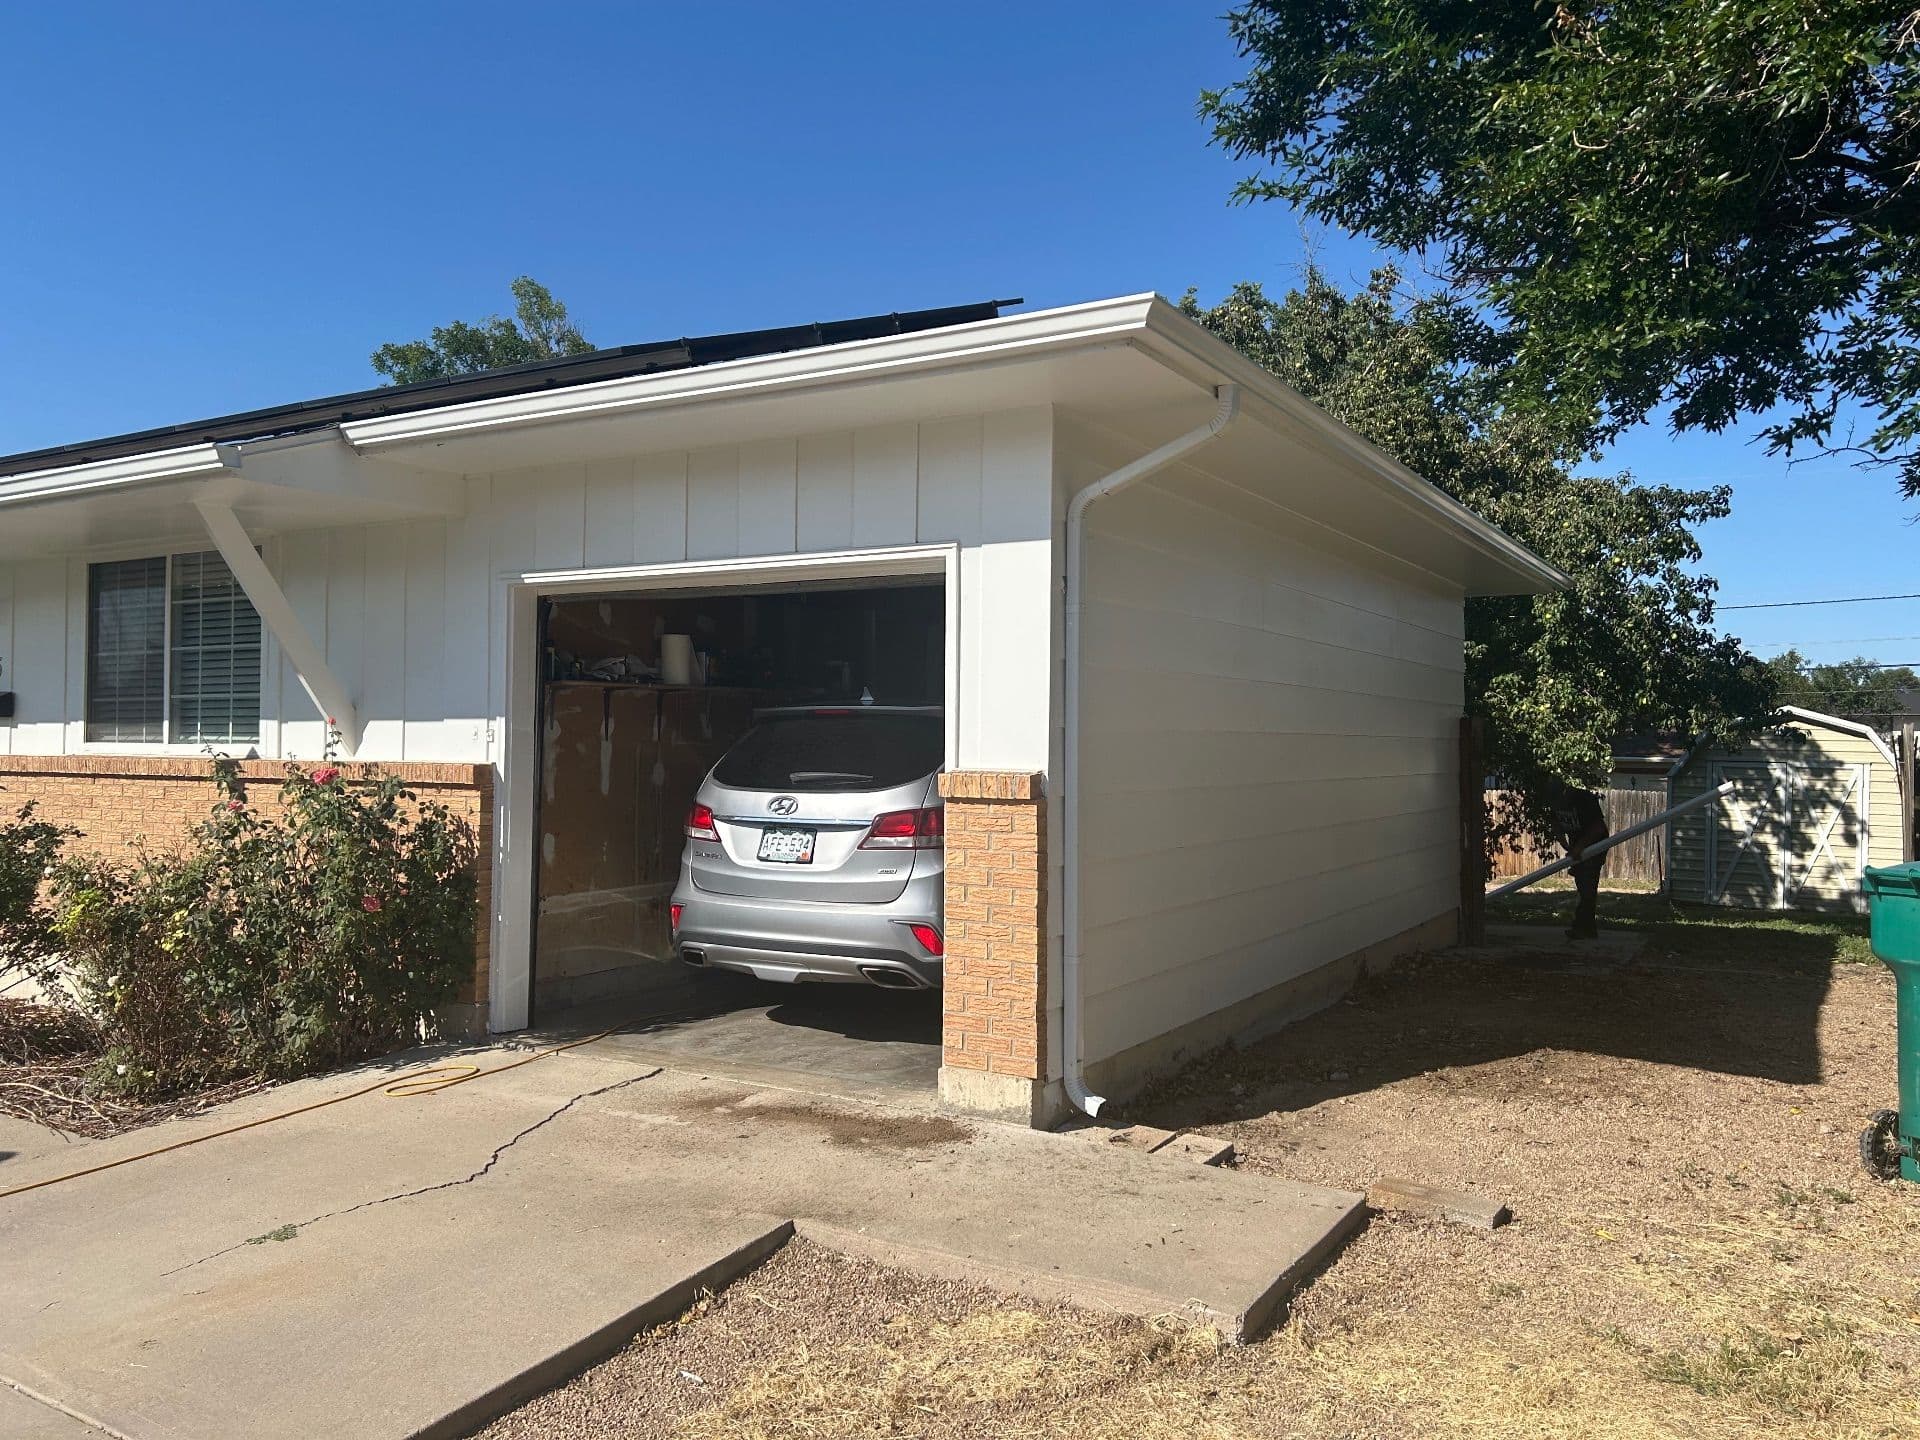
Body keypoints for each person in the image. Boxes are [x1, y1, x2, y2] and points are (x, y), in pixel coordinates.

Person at [1554, 785, 1609, 939]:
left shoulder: (1584, 799)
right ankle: (1588, 929)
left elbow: (1598, 828)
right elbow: (1556, 825)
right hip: (1578, 845)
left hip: (1596, 845)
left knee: (1587, 885)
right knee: (1583, 884)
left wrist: (1579, 847)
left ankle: (1582, 927)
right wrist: (1567, 846)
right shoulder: (1554, 801)